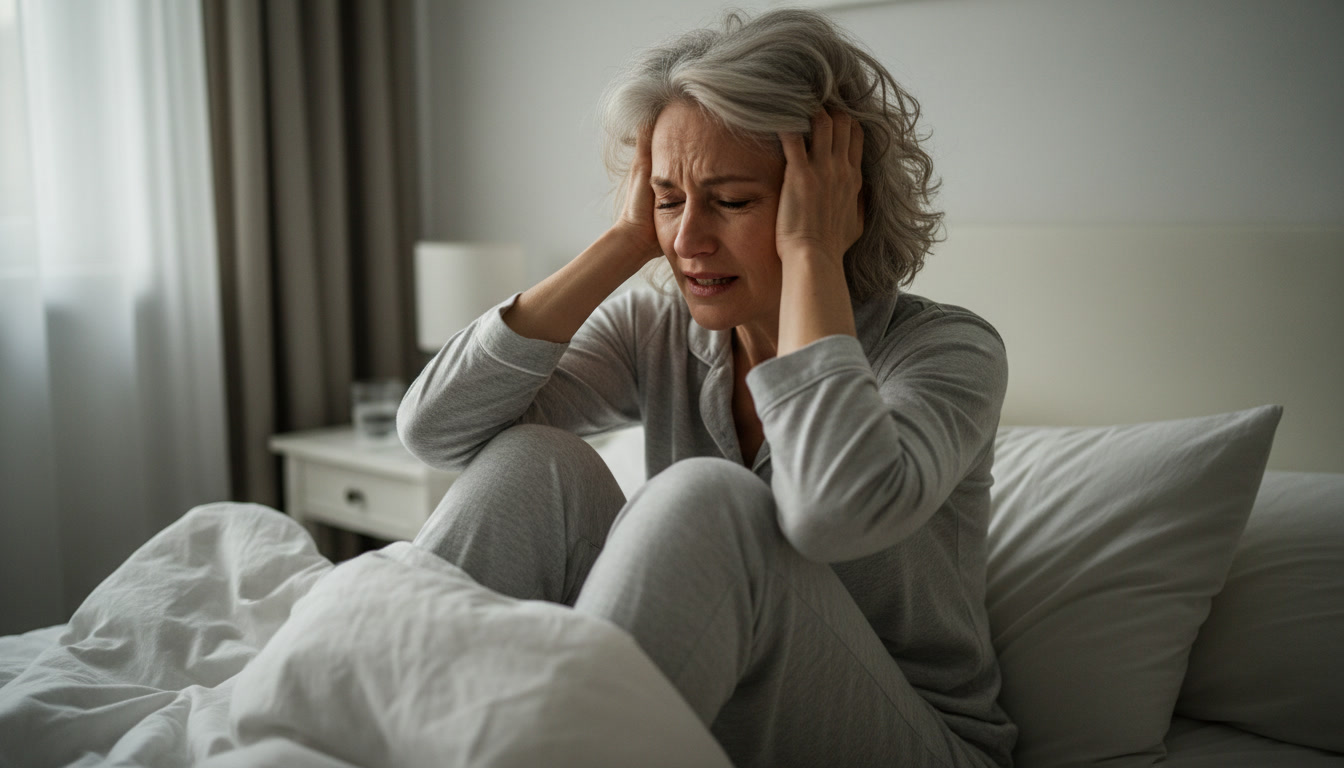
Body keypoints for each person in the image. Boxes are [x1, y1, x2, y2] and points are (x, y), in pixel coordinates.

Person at [398, 8, 1015, 767]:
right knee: (534, 460)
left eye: (730, 200)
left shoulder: (946, 351)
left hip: (913, 739)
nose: (688, 240)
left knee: (706, 498)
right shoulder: (656, 330)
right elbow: (436, 430)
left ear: (832, 195)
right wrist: (625, 241)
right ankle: (396, 737)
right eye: (668, 200)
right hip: (706, 708)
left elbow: (832, 515)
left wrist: (811, 252)